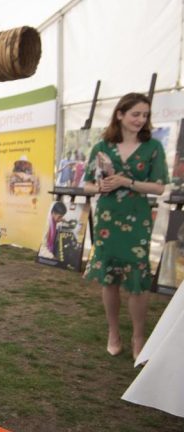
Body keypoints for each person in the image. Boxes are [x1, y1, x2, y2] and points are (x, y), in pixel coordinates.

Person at [83, 92, 168, 361]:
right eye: (136, 114)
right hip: (108, 219)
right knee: (109, 279)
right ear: (120, 114)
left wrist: (126, 182)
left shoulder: (153, 147)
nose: (141, 120)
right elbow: (86, 184)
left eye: (145, 115)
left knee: (137, 282)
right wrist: (100, 186)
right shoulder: (102, 148)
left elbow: (159, 186)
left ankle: (138, 337)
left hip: (137, 220)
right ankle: (113, 333)